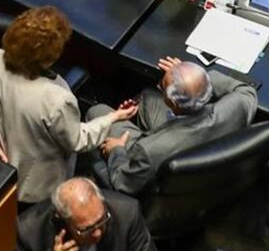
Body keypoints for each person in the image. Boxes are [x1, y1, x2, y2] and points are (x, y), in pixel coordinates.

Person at [0, 7, 137, 205]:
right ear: (50, 57)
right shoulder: (57, 99)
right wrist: (113, 117)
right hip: (34, 189)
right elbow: (77, 141)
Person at [86, 57, 258, 196]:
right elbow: (246, 90)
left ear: (172, 103)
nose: (162, 85)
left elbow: (124, 183)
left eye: (163, 85)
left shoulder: (147, 151)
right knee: (147, 97)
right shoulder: (237, 107)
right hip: (209, 166)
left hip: (165, 155)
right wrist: (194, 78)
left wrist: (116, 151)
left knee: (97, 111)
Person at [15, 178, 161, 251]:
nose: (97, 233)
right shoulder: (28, 231)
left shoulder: (126, 213)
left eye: (102, 220)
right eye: (87, 229)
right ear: (62, 218)